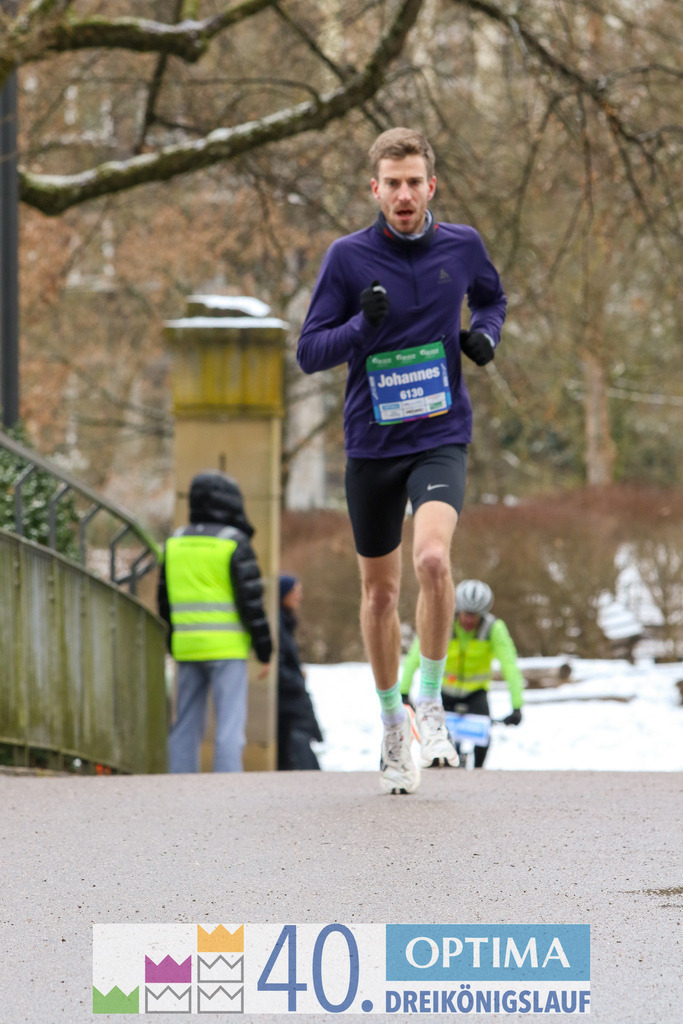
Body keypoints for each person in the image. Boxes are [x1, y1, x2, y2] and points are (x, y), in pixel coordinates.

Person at [297, 127, 507, 794]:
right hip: (372, 443)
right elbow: (309, 352)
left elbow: (492, 298)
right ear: (375, 190)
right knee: (381, 592)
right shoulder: (347, 259)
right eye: (392, 183)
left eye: (414, 181)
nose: (404, 193)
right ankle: (393, 725)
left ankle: (432, 701)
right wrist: (361, 325)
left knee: (433, 560)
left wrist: (485, 336)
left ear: (430, 186)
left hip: (439, 433)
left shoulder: (462, 246)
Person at [157, 470, 272, 773]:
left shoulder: (175, 541)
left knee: (185, 723)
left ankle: (179, 785)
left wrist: (173, 639)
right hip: (227, 648)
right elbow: (251, 603)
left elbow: (164, 600)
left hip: (187, 646)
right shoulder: (233, 542)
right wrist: (264, 650)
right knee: (229, 727)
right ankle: (227, 790)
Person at [401, 580, 524, 767]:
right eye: (466, 614)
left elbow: (510, 666)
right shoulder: (443, 624)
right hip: (444, 693)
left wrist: (516, 706)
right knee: (435, 745)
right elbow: (415, 657)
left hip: (476, 693)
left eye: (475, 616)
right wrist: (404, 691)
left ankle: (478, 771)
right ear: (458, 610)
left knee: (483, 740)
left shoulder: (493, 629)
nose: (468, 621)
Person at [277, 574, 323, 770]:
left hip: (293, 704)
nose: (300, 596)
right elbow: (277, 667)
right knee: (300, 756)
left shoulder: (285, 622)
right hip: (290, 707)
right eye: (295, 591)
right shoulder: (278, 624)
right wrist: (296, 680)